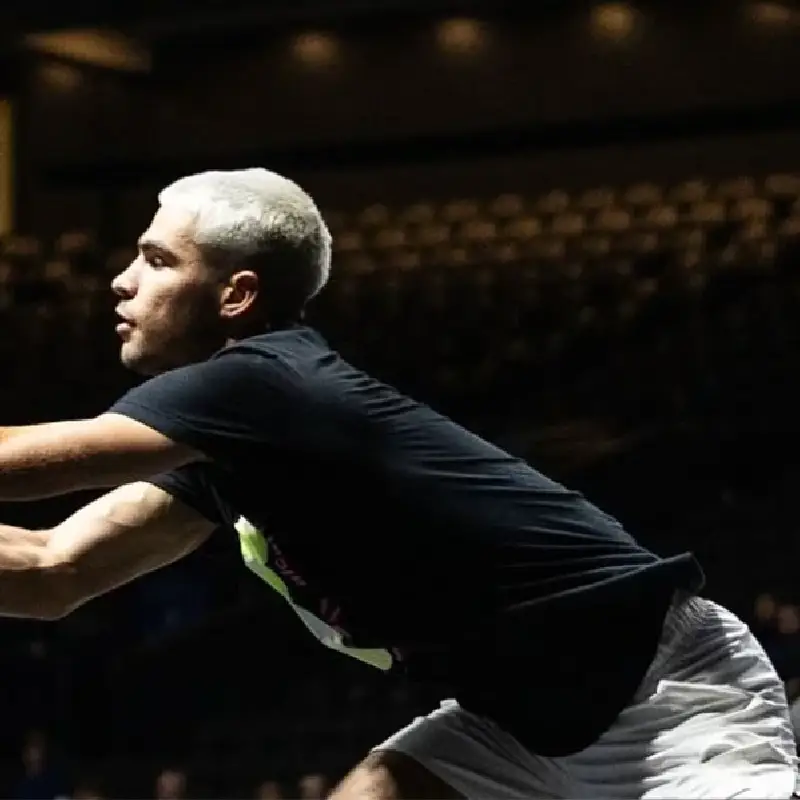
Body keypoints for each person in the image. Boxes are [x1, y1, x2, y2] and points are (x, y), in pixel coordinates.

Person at [0, 168, 795, 799]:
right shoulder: (236, 444)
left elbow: (23, 469)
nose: (121, 281)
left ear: (236, 294)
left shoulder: (261, 382)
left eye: (156, 260)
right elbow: (51, 569)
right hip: (514, 725)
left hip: (663, 696)